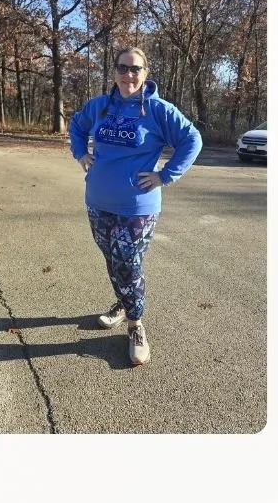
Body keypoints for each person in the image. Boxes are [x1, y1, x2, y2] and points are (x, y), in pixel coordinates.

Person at [68, 47, 202, 366]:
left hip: (137, 207)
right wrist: (80, 153)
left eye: (135, 69)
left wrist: (164, 175)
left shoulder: (158, 110)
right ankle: (123, 303)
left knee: (128, 264)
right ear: (114, 71)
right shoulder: (100, 106)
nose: (129, 74)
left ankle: (135, 324)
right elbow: (76, 125)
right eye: (123, 68)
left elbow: (192, 139)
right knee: (113, 260)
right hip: (98, 201)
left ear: (145, 73)